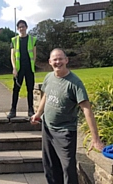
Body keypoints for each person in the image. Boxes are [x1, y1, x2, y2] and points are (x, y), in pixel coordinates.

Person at [30, 48, 104, 184]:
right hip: (47, 129)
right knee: (50, 166)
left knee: (68, 169)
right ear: (50, 62)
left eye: (60, 59)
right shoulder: (49, 77)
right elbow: (46, 95)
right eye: (55, 59)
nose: (58, 62)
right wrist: (38, 114)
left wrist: (96, 139)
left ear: (66, 60)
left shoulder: (75, 83)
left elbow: (86, 109)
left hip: (65, 132)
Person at [7, 20, 37, 119]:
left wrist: (32, 66)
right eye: (19, 27)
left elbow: (34, 54)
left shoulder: (33, 39)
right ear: (17, 29)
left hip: (29, 68)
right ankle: (13, 109)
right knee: (16, 90)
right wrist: (14, 68)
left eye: (23, 26)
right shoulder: (14, 40)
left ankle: (30, 110)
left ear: (26, 27)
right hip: (18, 69)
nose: (21, 28)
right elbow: (12, 56)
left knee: (30, 89)